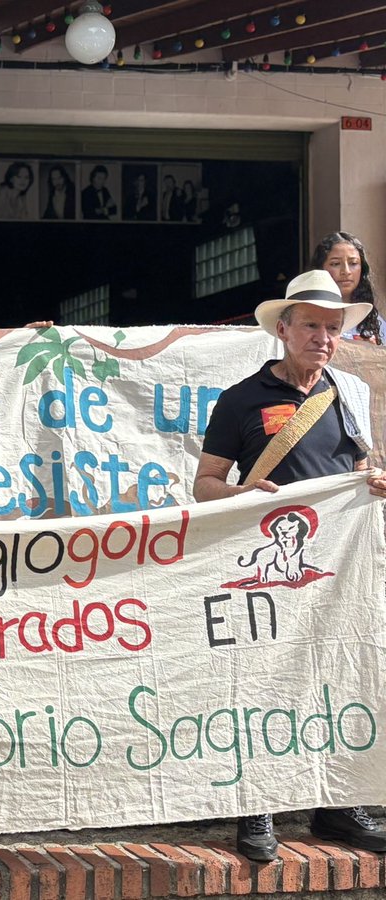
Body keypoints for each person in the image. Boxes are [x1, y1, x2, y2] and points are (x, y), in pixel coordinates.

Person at [193, 269, 386, 861]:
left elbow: (361, 467)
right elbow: (205, 485)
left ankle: (340, 806)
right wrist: (246, 496)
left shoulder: (349, 395)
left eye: (332, 328)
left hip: (334, 571)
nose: (323, 339)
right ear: (283, 329)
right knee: (264, 682)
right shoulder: (241, 399)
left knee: (340, 677)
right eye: (311, 326)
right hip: (265, 574)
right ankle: (258, 806)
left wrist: (374, 481)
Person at [311, 231, 383, 344]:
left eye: (353, 263)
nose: (346, 271)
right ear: (320, 268)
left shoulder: (372, 320)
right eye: (335, 264)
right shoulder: (306, 312)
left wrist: (372, 350)